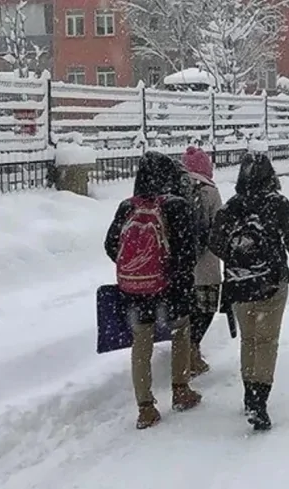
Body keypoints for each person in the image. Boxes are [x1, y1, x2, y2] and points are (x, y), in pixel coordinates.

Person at [209, 152, 289, 431]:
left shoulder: (231, 207)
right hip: (270, 282)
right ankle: (259, 401)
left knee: (249, 340)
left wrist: (236, 255)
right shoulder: (278, 203)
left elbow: (214, 242)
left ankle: (248, 394)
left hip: (238, 284)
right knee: (266, 342)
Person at [104, 151, 202, 430]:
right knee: (181, 331)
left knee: (141, 343)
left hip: (134, 290)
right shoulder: (176, 205)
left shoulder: (127, 207)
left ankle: (145, 407)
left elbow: (111, 245)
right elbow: (188, 251)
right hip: (171, 288)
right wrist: (170, 273)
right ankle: (181, 389)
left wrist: (137, 267)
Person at [181, 146, 223, 377]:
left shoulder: (174, 187)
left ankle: (184, 351)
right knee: (205, 309)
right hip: (205, 265)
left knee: (186, 310)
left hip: (180, 265)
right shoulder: (209, 191)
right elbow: (220, 226)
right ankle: (192, 350)